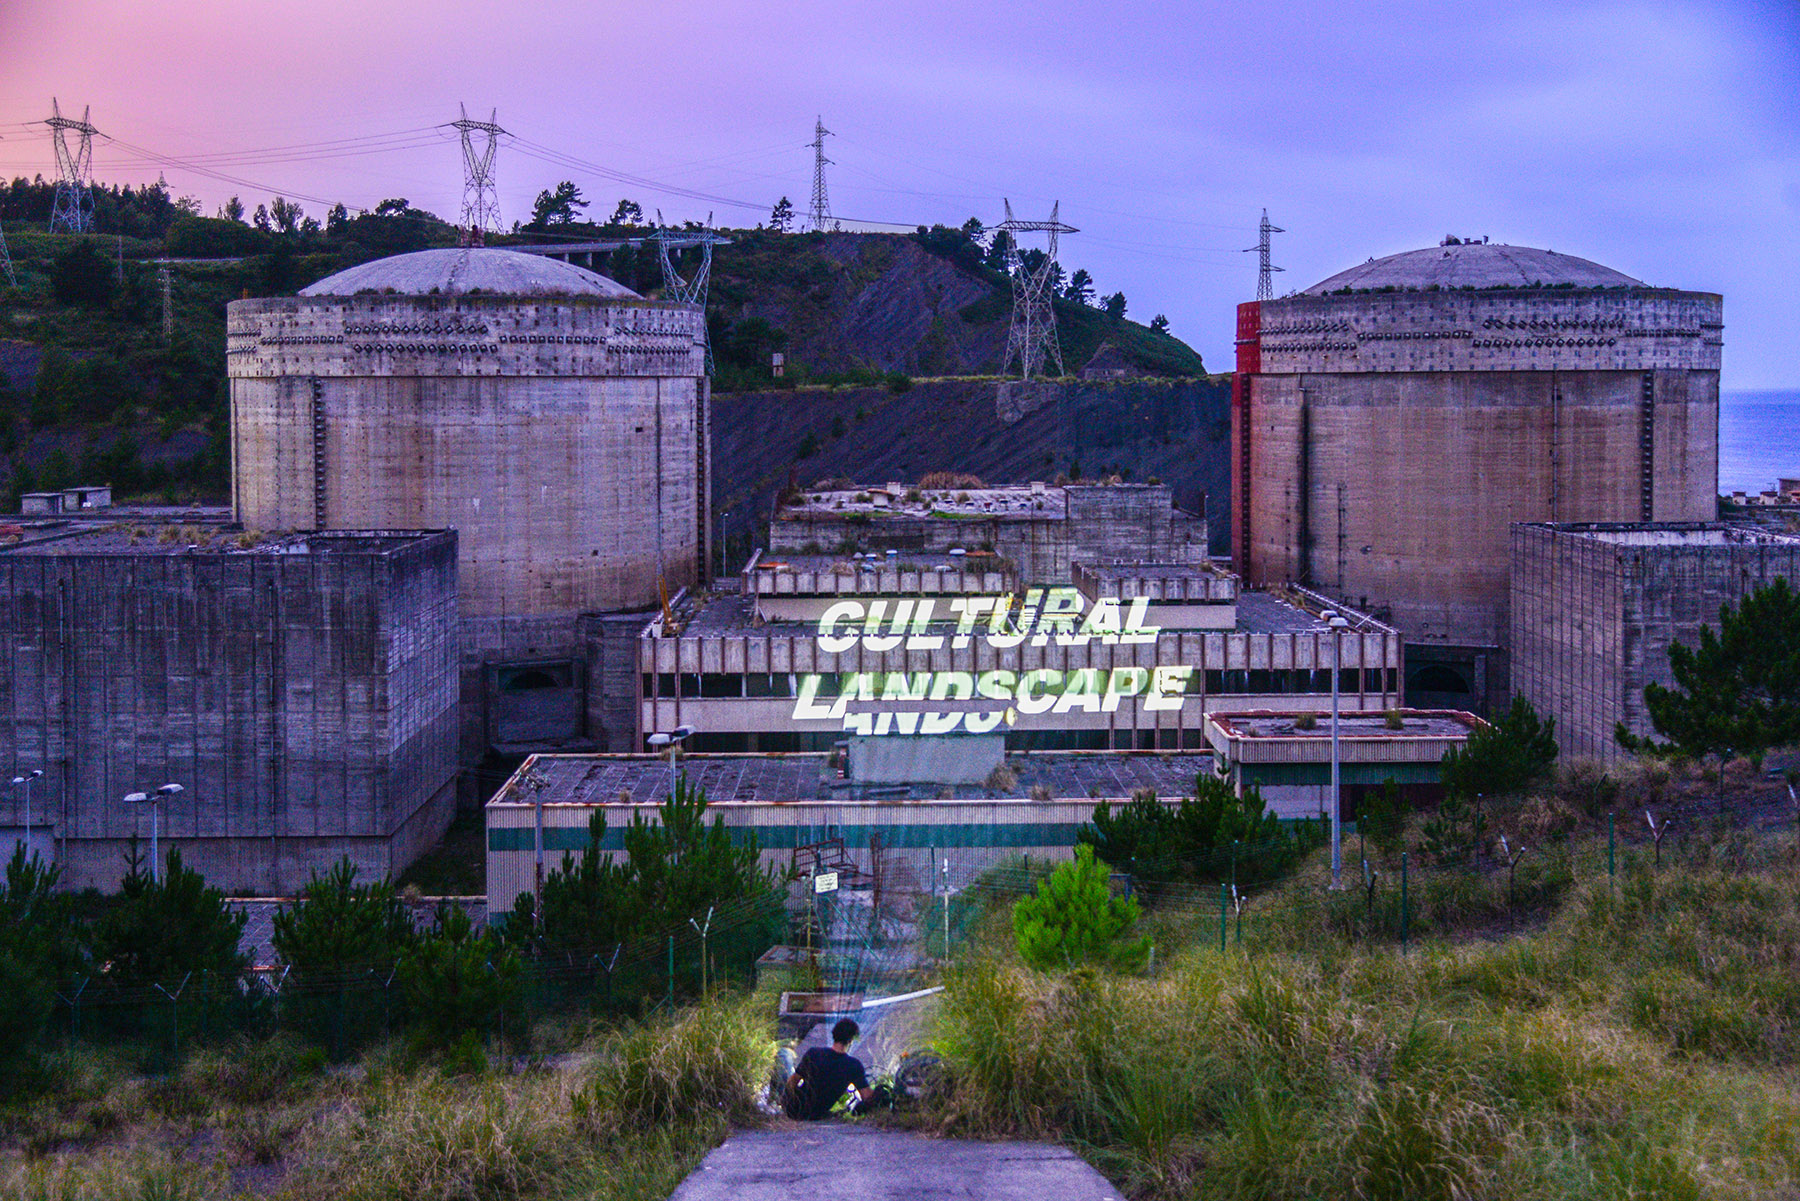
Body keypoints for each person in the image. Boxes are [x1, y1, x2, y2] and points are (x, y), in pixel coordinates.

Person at [782, 1017, 886, 1120]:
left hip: (794, 1109)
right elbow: (867, 1096)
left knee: (785, 1056)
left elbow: (793, 1081)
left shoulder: (813, 1053)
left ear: (833, 1035)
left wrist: (786, 1101)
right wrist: (881, 1092)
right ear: (851, 1040)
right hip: (816, 1114)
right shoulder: (853, 1066)